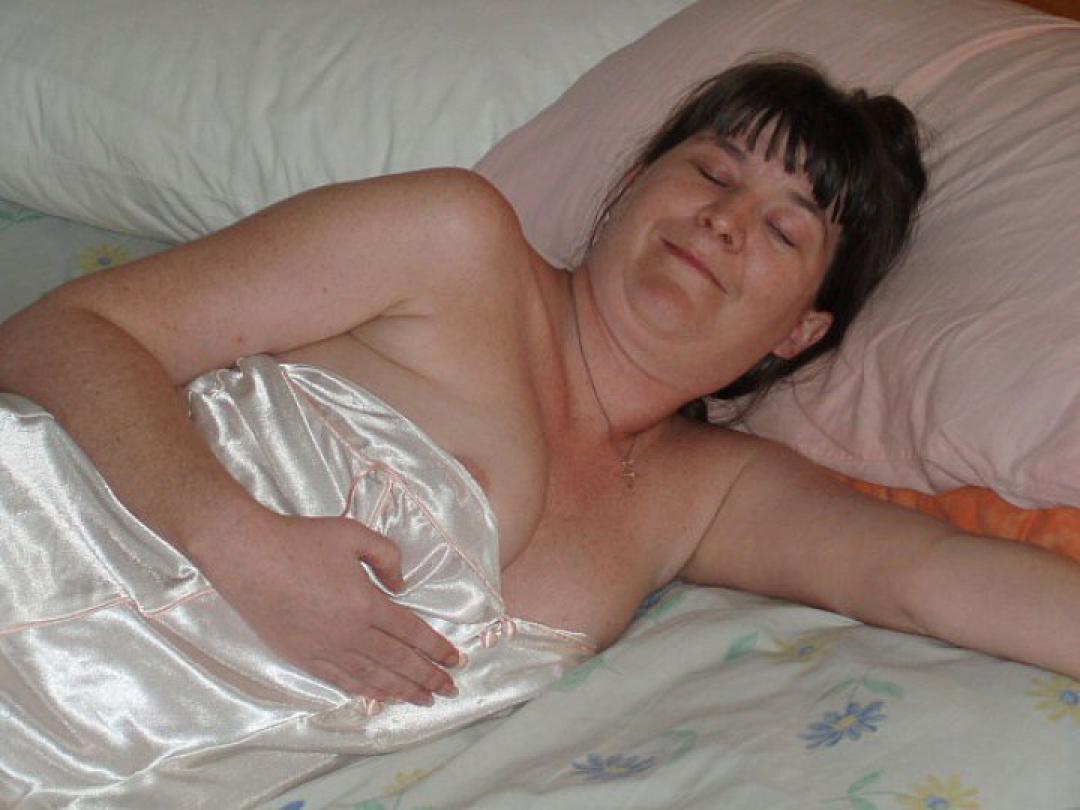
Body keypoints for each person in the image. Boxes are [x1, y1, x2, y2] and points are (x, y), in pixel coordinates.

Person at [2, 58, 1079, 801]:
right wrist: (232, 536)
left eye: (783, 230)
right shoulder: (451, 243)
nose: (723, 221)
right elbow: (61, 331)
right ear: (632, 187)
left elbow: (929, 578)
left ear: (800, 329)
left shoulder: (710, 492)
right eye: (712, 173)